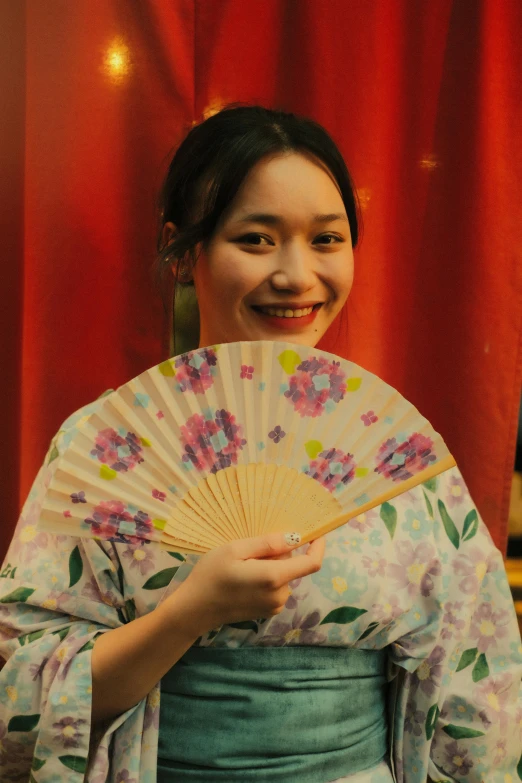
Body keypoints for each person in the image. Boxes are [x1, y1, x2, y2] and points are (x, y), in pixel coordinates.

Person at [0, 103, 520, 783]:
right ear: (186, 253)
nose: (297, 275)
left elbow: (474, 688)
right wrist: (190, 612)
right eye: (256, 239)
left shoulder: (395, 453)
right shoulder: (105, 445)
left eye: (327, 239)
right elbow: (18, 696)